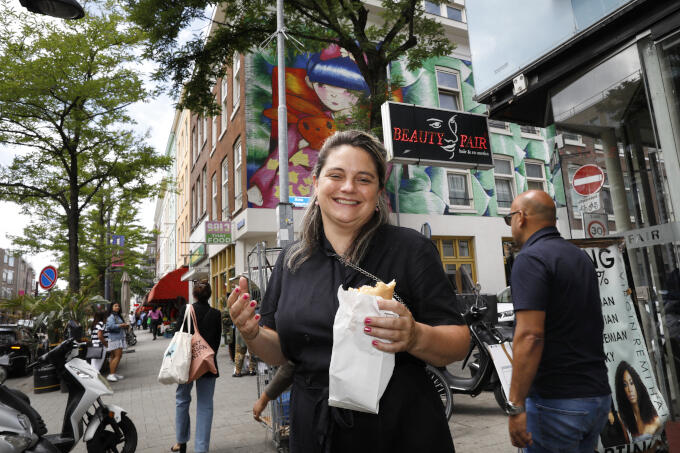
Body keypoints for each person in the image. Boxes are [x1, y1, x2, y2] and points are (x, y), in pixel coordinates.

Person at [229, 130, 470, 452]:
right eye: (336, 175)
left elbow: (457, 342)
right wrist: (251, 333)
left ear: (379, 192)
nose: (348, 188)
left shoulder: (411, 249)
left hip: (398, 428)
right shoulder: (292, 260)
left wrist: (415, 336)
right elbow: (282, 352)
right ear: (316, 182)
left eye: (364, 179)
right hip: (313, 429)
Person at [505, 190, 611, 452]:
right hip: (596, 396)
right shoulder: (579, 257)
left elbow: (530, 336)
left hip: (556, 401)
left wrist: (516, 405)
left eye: (508, 219)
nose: (510, 227)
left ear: (521, 217)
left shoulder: (530, 259)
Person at [171, 280, 221, 453]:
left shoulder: (186, 310)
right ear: (210, 295)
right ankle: (201, 449)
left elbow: (177, 334)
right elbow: (216, 342)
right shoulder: (216, 314)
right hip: (207, 363)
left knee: (182, 400)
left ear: (194, 295)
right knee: (205, 405)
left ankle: (181, 441)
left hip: (186, 364)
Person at [614, 361, 661, 442]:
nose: (630, 389)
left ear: (637, 384)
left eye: (632, 383)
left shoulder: (655, 418)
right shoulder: (622, 418)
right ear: (621, 389)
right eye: (625, 385)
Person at [105, 302, 128, 382]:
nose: (117, 307)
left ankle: (113, 373)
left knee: (113, 356)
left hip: (117, 338)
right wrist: (121, 325)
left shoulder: (116, 316)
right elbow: (110, 327)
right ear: (111, 307)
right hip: (115, 339)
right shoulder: (111, 316)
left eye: (118, 306)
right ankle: (111, 374)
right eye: (115, 306)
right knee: (118, 356)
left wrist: (123, 325)